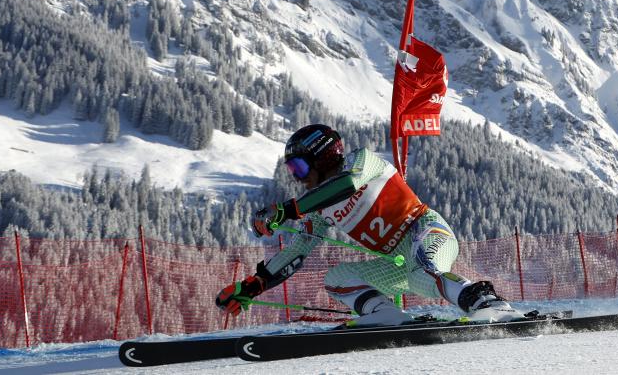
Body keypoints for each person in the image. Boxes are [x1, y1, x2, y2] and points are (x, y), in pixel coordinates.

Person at [215, 124, 520, 327]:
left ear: (323, 158)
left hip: (424, 231)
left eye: (300, 167)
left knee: (421, 272)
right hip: (397, 262)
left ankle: (485, 302)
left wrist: (289, 209)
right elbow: (298, 251)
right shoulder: (318, 205)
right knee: (336, 278)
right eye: (294, 170)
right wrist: (255, 285)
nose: (298, 177)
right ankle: (386, 316)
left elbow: (347, 185)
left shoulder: (362, 161)